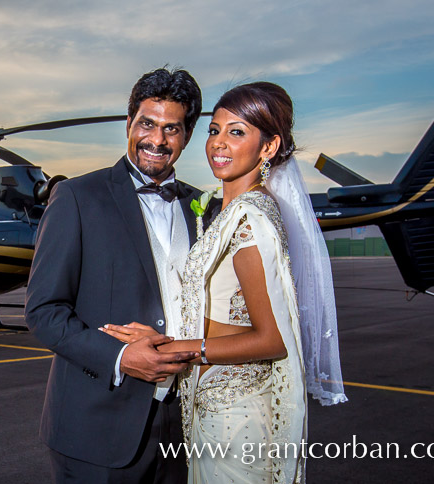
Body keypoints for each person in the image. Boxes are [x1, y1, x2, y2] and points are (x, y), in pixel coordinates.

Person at [102, 82, 347, 483]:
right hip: (209, 407)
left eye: (237, 132)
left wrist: (177, 349)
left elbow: (272, 339)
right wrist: (166, 341)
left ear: (268, 148)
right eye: (215, 130)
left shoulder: (252, 219)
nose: (219, 143)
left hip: (236, 418)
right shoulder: (229, 211)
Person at [25, 68, 221, 483]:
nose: (157, 140)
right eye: (147, 124)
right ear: (128, 123)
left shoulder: (205, 208)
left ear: (187, 136)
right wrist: (120, 356)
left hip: (186, 425)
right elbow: (44, 311)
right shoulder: (77, 197)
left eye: (172, 129)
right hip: (97, 427)